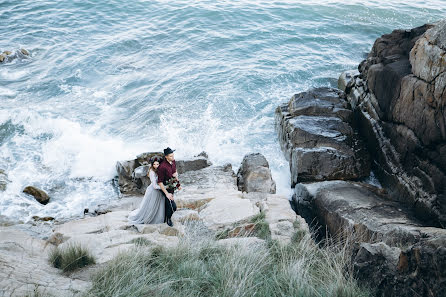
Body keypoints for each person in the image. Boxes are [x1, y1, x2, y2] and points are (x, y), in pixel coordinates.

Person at [127, 156, 165, 224]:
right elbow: (155, 186)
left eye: (157, 164)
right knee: (151, 207)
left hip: (159, 191)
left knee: (159, 207)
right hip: (154, 191)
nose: (156, 166)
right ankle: (150, 219)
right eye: (154, 164)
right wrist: (164, 187)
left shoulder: (160, 169)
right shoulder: (151, 172)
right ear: (152, 164)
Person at [157, 147, 181, 227]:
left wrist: (178, 184)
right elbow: (160, 182)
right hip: (165, 188)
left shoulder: (173, 161)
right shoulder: (162, 167)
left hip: (172, 186)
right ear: (166, 157)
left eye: (173, 155)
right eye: (170, 156)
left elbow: (175, 172)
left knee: (168, 204)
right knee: (173, 206)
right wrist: (167, 193)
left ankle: (166, 217)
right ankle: (168, 219)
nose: (173, 157)